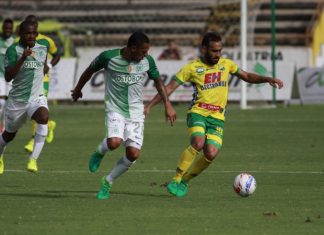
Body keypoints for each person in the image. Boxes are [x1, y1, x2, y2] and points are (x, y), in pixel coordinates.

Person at [145, 32, 284, 197]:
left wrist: (267, 78)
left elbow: (246, 76)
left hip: (218, 117)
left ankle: (185, 181)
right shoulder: (192, 67)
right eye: (214, 51)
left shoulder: (226, 64)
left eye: (220, 51)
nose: (218, 54)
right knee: (198, 142)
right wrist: (150, 106)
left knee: (211, 153)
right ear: (204, 49)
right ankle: (176, 178)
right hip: (198, 112)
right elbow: (169, 88)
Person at [71, 31, 176, 200]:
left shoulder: (147, 61)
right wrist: (77, 89)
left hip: (136, 113)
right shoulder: (108, 57)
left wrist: (168, 104)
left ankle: (108, 181)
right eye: (143, 51)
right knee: (114, 143)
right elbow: (89, 71)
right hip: (115, 109)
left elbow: (158, 81)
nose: (146, 55)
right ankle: (99, 152)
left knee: (133, 154)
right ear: (133, 48)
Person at [0, 20, 50, 174]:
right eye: (28, 33)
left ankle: (33, 160)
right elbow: (8, 77)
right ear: (20, 33)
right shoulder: (13, 50)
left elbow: (44, 65)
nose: (32, 36)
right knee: (8, 136)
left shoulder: (43, 47)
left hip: (37, 97)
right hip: (17, 101)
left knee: (44, 117)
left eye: (34, 32)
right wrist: (23, 58)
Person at [23, 15, 61, 153]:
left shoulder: (46, 41)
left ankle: (34, 139)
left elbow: (57, 54)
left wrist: (49, 66)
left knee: (38, 106)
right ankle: (49, 125)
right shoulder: (20, 41)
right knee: (28, 110)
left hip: (42, 80)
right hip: (26, 81)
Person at [0, 18, 15, 132]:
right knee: (1, 102)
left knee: (9, 105)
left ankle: (4, 131)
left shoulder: (15, 41)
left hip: (11, 76)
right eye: (6, 28)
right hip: (0, 75)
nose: (7, 30)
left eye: (10, 28)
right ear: (2, 28)